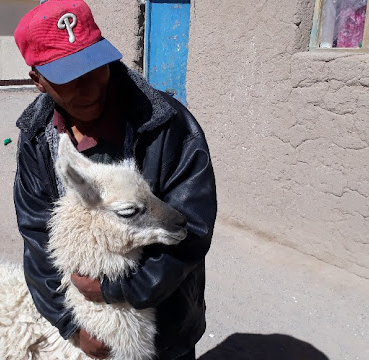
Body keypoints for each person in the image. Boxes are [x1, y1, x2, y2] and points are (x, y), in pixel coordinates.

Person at [12, 1, 217, 359]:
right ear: (39, 81)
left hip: (167, 325)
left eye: (94, 67)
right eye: (67, 78)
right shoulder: (36, 140)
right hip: (94, 333)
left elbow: (192, 226)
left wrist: (119, 289)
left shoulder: (167, 125)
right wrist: (72, 326)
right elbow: (36, 234)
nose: (88, 89)